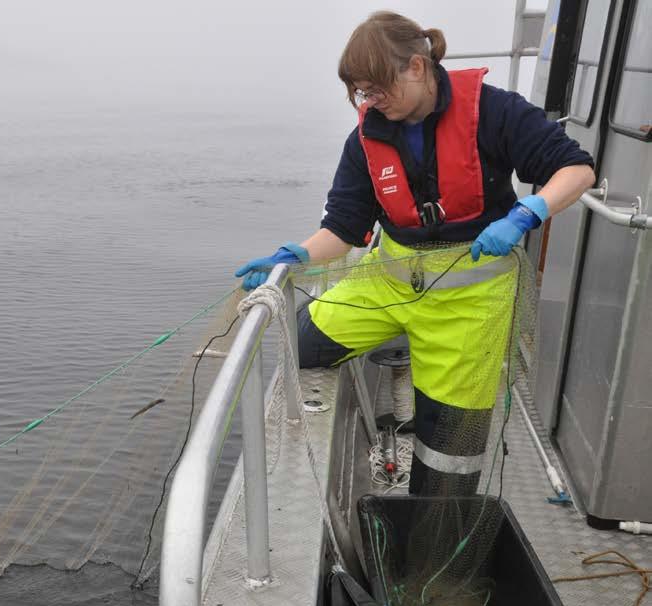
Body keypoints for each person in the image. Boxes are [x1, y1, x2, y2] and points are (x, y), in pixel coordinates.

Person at [235, 11, 595, 496]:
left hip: (471, 304)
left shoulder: (494, 112)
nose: (372, 102)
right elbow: (343, 229)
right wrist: (294, 255)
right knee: (300, 345)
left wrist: (526, 214)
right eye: (363, 93)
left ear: (417, 67)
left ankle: (430, 542)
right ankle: (403, 352)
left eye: (379, 88)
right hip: (386, 284)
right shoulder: (365, 139)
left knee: (446, 467)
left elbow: (576, 169)